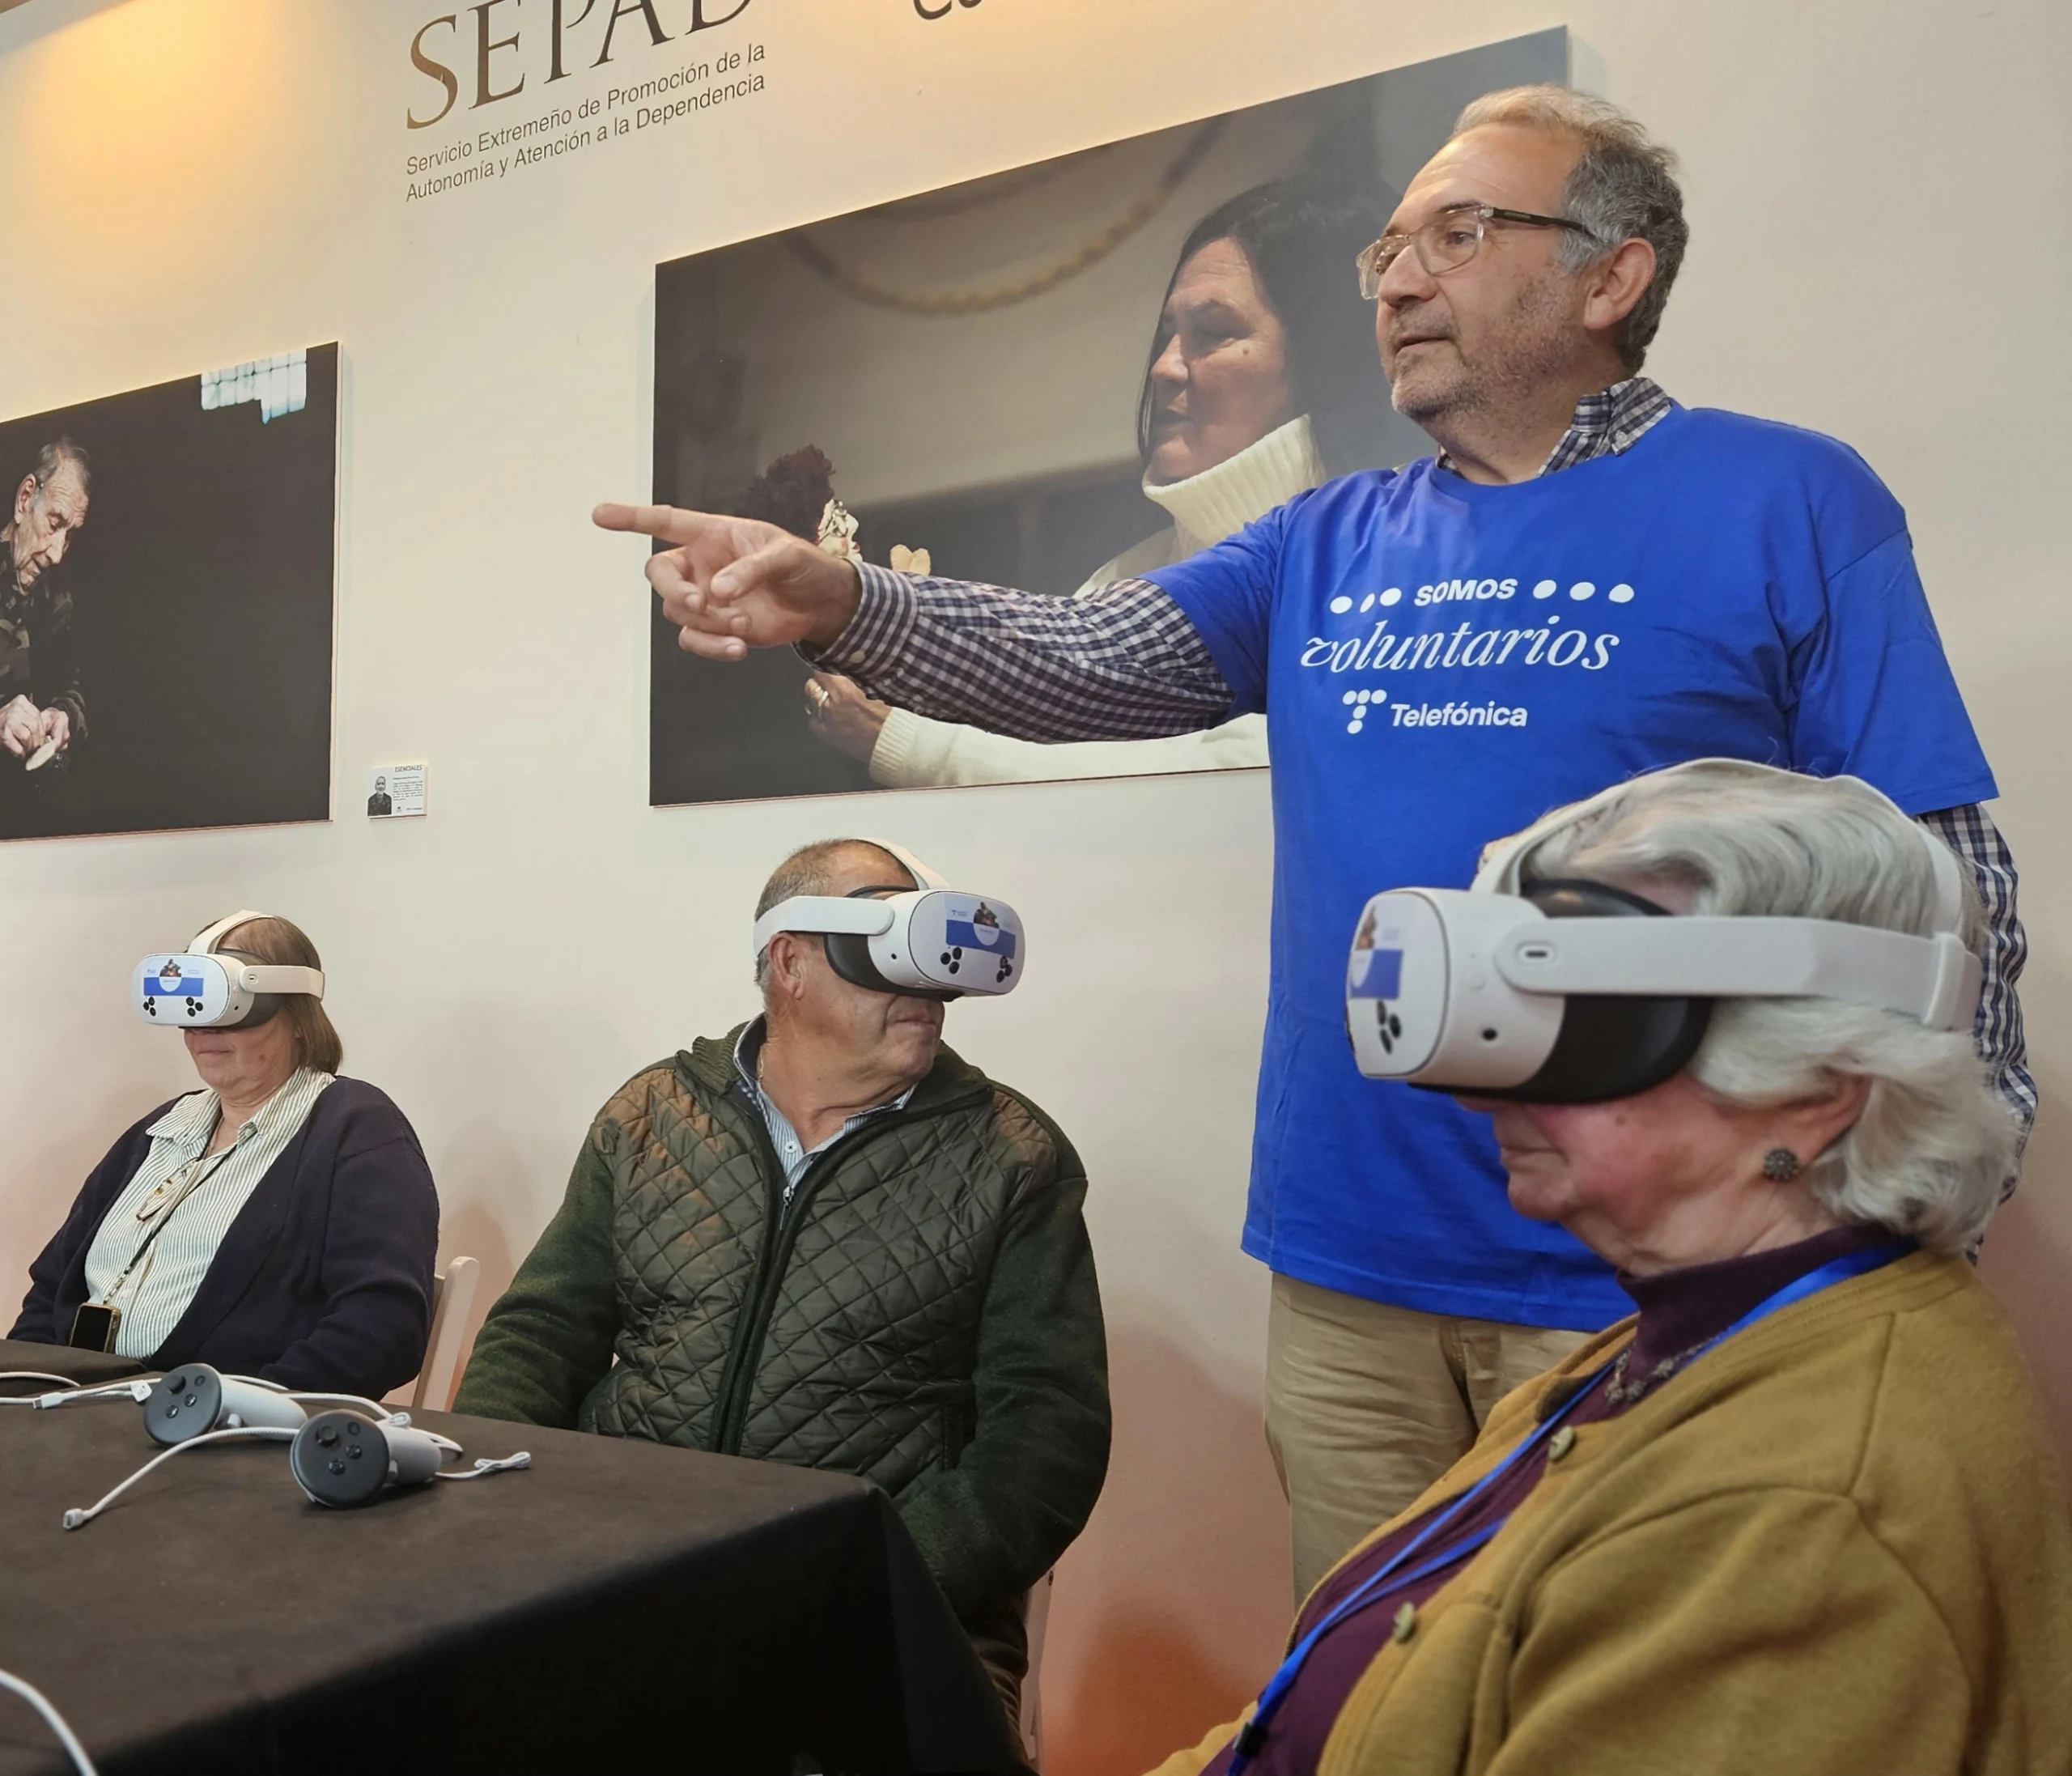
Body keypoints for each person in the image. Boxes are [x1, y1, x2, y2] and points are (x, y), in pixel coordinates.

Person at [594, 84, 2034, 1599]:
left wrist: (1931, 1217)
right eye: (1388, 250)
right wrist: (847, 603)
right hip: (1353, 1271)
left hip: (1655, 1267)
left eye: (1459, 234)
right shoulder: (1328, 536)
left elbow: (1944, 875)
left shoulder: (1790, 498)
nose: (1401, 278)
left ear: (1614, 274)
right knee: (1365, 1705)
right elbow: (1084, 657)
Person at [1140, 762, 2072, 1776]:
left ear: (1815, 1089)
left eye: (1572, 1017)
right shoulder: (1685, 1338)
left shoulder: (1800, 1518)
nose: (1481, 1092)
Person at [455, 839, 1110, 1721]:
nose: (928, 992)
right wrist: (493, 1512)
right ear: (790, 960)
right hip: (618, 1566)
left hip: (872, 1598)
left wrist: (873, 1570)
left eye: (937, 968)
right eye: (890, 955)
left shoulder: (1011, 1156)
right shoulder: (649, 1118)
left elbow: (1048, 1430)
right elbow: (541, 1332)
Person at [803, 180, 1392, 788]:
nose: (1164, 366)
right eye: (1169, 333)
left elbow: (1255, 767)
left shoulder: (1372, 570)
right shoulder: (1115, 583)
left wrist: (909, 740)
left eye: (1213, 333)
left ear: (1326, 356)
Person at [11, 915, 441, 1398]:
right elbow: (52, 1286)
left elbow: (384, 1326)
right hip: (74, 1407)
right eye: (192, 1004)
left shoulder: (355, 1129)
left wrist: (236, 1409)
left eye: (233, 1005)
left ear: (298, 1018)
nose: (203, 1027)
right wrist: (26, 1385)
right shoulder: (163, 1128)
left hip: (207, 1433)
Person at [0, 439, 90, 765]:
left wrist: (64, 714)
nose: (57, 553)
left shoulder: (56, 594)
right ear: (25, 499)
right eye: (54, 524)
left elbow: (72, 682)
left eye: (69, 536)